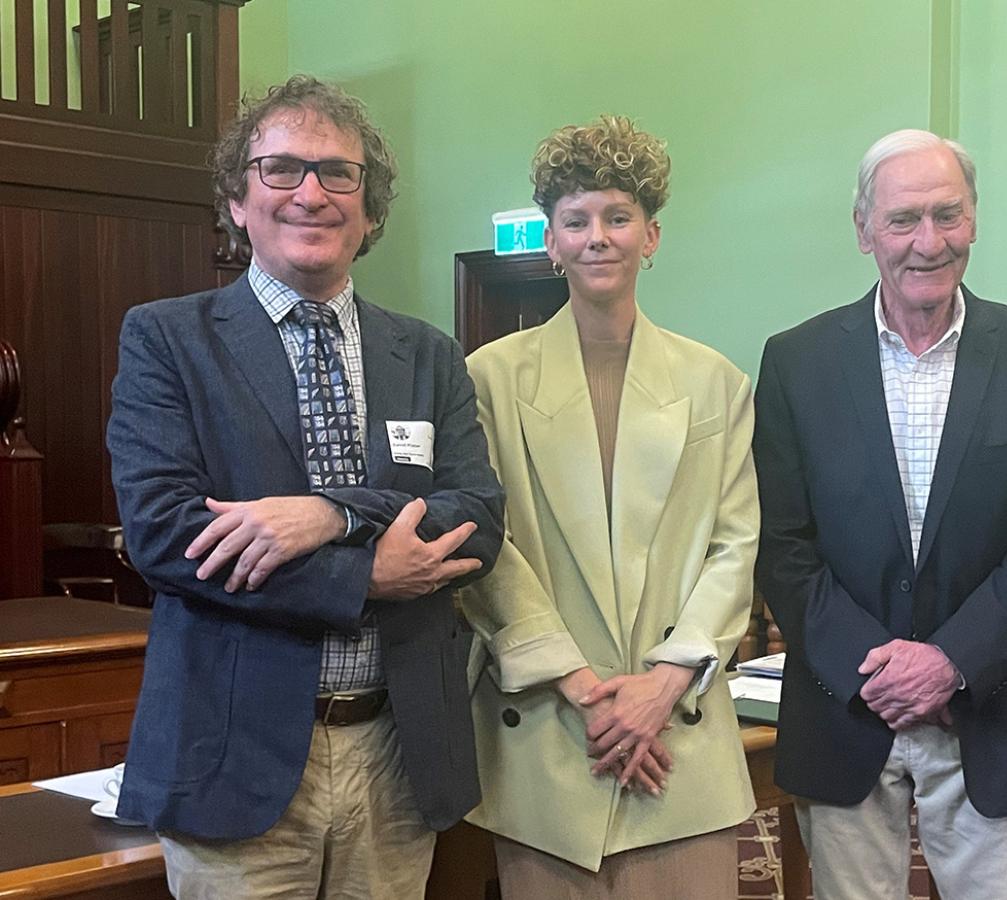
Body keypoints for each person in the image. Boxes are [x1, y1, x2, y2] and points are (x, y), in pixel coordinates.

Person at [106, 75, 504, 899]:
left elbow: (479, 515)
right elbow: (167, 533)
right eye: (281, 169)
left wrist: (330, 514)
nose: (311, 193)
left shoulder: (427, 353)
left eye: (338, 173)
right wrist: (369, 574)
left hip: (398, 755)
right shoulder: (168, 339)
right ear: (238, 200)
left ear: (369, 210)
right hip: (233, 757)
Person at [753, 128, 1007, 899]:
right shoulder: (795, 363)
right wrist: (873, 671)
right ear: (863, 229)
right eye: (904, 219)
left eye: (949, 215)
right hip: (847, 706)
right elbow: (783, 543)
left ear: (974, 218)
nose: (928, 242)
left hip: (990, 707)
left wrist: (950, 663)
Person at [460, 115, 758, 898]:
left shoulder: (715, 383)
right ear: (550, 241)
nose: (599, 237)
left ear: (651, 236)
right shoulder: (487, 377)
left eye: (619, 217)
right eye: (577, 220)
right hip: (552, 734)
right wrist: (587, 693)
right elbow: (485, 550)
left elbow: (735, 547)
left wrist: (658, 688)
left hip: (677, 734)